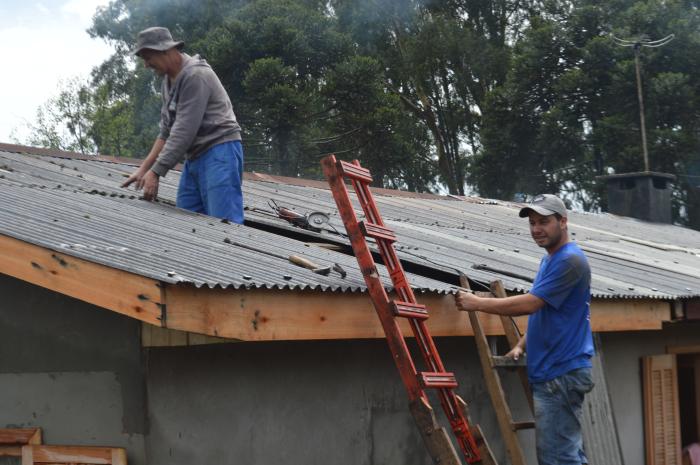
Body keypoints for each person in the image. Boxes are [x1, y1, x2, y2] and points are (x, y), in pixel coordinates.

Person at [455, 194, 595, 465]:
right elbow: (547, 311)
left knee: (558, 459)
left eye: (543, 221)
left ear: (563, 221)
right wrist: (521, 345)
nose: (536, 229)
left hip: (561, 373)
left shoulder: (570, 260)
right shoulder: (550, 261)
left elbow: (531, 304)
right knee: (567, 455)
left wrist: (478, 303)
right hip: (553, 372)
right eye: (532, 223)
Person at [122, 26, 244, 223]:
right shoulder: (168, 82)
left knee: (224, 224)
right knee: (186, 220)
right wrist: (145, 169)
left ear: (164, 51)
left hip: (220, 152)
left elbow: (184, 131)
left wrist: (157, 172)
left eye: (148, 58)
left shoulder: (196, 76)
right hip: (194, 158)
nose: (146, 65)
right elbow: (166, 132)